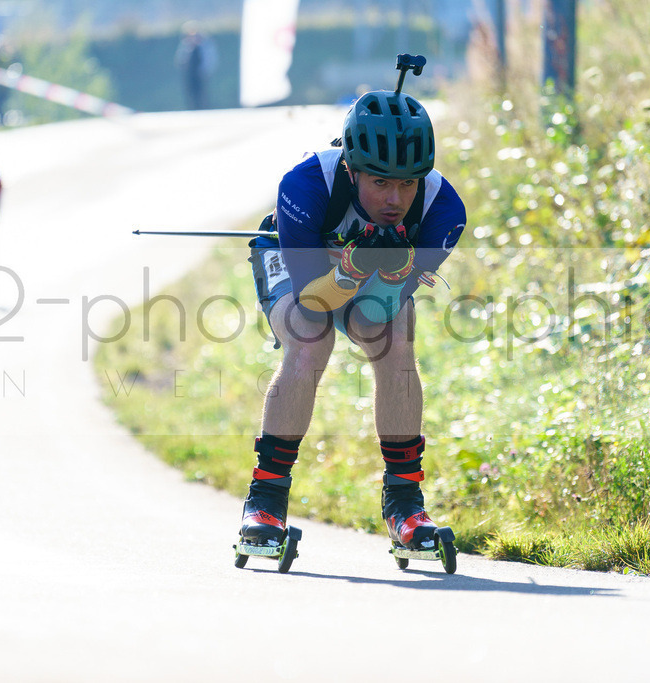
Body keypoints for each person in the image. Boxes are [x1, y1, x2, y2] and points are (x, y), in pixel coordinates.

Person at [243, 89, 467, 552]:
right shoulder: (305, 186)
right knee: (310, 338)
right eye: (381, 182)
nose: (395, 198)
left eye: (408, 184)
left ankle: (405, 504)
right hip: (296, 263)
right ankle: (264, 500)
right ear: (351, 168)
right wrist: (350, 269)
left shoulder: (443, 210)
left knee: (395, 341)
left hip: (366, 277)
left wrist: (392, 272)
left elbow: (372, 316)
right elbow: (312, 303)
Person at [174, 21, 217, 110]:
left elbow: (209, 59)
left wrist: (205, 70)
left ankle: (202, 108)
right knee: (190, 91)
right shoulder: (186, 46)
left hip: (200, 73)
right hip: (190, 73)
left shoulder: (204, 46)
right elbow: (180, 58)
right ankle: (192, 108)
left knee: (201, 92)